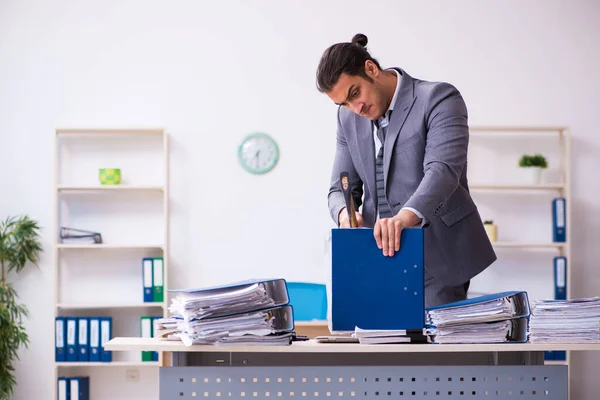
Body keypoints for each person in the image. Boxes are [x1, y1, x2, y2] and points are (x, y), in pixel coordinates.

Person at [316, 33, 496, 307]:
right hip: (377, 260)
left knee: (429, 348)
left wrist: (403, 219)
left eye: (355, 93)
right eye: (344, 103)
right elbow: (339, 187)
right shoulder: (347, 117)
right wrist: (345, 217)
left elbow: (442, 170)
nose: (356, 108)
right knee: (377, 346)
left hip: (437, 255)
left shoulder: (438, 98)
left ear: (371, 69)